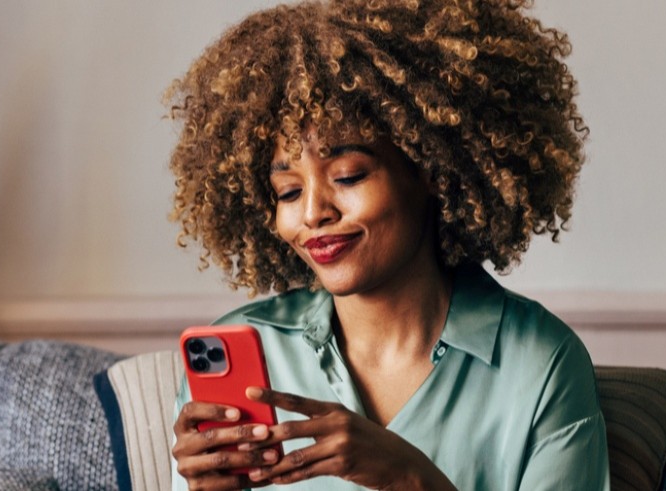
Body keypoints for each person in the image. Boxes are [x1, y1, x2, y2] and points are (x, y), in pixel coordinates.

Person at [160, 0, 601, 489]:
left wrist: (410, 476)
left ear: (433, 167)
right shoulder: (247, 351)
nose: (313, 214)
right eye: (288, 191)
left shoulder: (539, 364)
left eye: (348, 176)